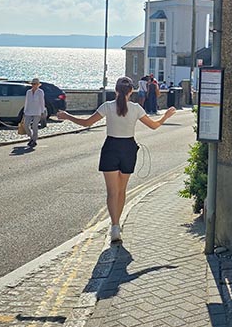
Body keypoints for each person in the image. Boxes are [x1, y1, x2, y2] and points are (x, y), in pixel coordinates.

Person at [56, 76, 177, 243]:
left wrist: (68, 116)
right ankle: (117, 227)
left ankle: (114, 225)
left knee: (112, 192)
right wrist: (166, 116)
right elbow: (154, 126)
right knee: (121, 190)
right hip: (128, 148)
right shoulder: (135, 108)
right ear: (131, 91)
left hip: (111, 148)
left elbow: (86, 123)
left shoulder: (107, 106)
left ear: (116, 90)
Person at [23, 77, 47, 148]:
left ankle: (34, 140)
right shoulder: (28, 92)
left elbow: (42, 102)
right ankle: (31, 138)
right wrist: (25, 111)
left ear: (38, 85)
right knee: (26, 125)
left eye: (35, 84)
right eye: (33, 84)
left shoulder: (40, 92)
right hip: (29, 111)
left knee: (34, 126)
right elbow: (26, 102)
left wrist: (42, 111)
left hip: (37, 111)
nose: (34, 85)